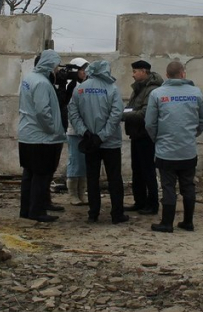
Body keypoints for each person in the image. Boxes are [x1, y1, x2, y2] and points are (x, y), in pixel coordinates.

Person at [144, 60, 203, 233]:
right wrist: (191, 135)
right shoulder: (196, 93)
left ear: (166, 75)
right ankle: (188, 222)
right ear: (183, 74)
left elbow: (149, 123)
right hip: (187, 150)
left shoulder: (157, 94)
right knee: (188, 186)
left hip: (166, 151)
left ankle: (166, 223)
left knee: (168, 186)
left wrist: (158, 139)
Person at [67, 60, 129, 224]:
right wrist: (102, 136)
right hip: (110, 143)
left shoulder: (80, 89)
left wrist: (85, 132)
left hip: (89, 142)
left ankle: (93, 213)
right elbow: (116, 115)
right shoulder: (112, 89)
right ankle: (117, 214)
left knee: (92, 178)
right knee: (114, 178)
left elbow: (72, 113)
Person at [17, 50, 67, 223]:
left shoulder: (28, 79)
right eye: (56, 65)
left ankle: (26, 209)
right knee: (41, 175)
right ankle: (37, 211)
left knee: (29, 174)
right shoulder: (42, 84)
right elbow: (42, 111)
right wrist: (53, 129)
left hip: (26, 135)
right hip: (41, 137)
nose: (57, 70)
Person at [122, 59, 164, 215]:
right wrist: (125, 113)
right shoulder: (139, 88)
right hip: (136, 134)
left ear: (144, 72)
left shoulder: (151, 90)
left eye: (135, 71)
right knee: (137, 170)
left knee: (147, 170)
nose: (132, 75)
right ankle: (139, 201)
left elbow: (145, 113)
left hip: (146, 135)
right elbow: (131, 108)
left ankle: (152, 204)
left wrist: (123, 116)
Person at [63, 57, 90, 205]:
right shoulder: (70, 86)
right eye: (82, 69)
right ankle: (73, 193)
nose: (84, 72)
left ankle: (82, 192)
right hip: (74, 130)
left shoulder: (87, 85)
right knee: (75, 161)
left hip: (86, 130)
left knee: (84, 162)